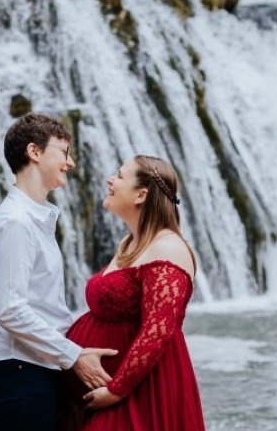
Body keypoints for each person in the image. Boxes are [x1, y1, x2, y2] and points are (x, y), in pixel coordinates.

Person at [0, 113, 118, 431]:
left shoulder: (34, 219)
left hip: (33, 368)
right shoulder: (16, 222)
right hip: (18, 371)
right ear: (35, 152)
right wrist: (73, 355)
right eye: (64, 152)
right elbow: (10, 310)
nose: (70, 163)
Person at [61, 155, 205, 431]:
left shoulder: (168, 248)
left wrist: (117, 389)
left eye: (120, 175)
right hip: (109, 393)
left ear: (141, 194)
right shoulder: (129, 243)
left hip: (141, 392)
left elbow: (157, 330)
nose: (109, 179)